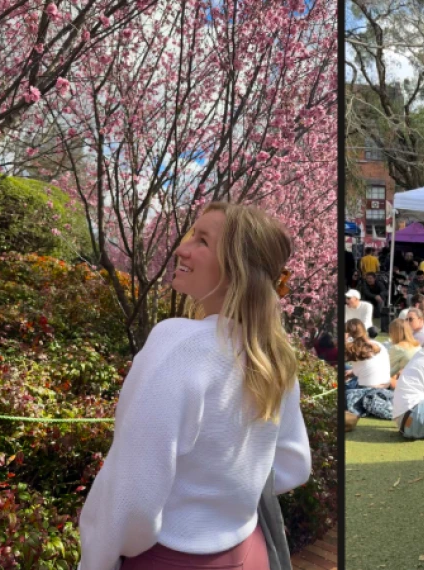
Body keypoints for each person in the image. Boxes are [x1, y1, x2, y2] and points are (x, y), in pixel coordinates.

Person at [78, 202, 311, 570]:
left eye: (202, 241)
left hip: (169, 559)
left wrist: (95, 561)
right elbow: (294, 465)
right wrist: (223, 499)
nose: (181, 249)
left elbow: (130, 496)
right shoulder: (274, 355)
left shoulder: (178, 345)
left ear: (236, 268)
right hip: (250, 551)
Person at [345, 320, 395, 420]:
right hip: (385, 386)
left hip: (366, 388)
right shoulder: (378, 345)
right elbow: (364, 367)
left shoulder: (352, 349)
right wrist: (352, 373)